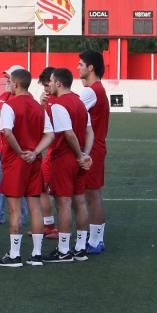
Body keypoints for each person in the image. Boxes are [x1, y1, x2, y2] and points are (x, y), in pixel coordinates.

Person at [0, 68, 55, 267]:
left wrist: (21, 151)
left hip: (16, 162)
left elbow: (8, 133)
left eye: (10, 81)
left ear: (16, 83)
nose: (8, 84)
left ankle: (14, 255)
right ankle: (36, 254)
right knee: (35, 207)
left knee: (14, 210)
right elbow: (50, 135)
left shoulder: (10, 106)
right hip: (33, 161)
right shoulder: (38, 106)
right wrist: (35, 152)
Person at [43, 67, 94, 264]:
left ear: (59, 83)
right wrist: (85, 155)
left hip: (64, 158)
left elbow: (68, 133)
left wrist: (79, 154)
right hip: (79, 159)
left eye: (51, 81)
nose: (49, 85)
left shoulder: (58, 105)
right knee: (79, 202)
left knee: (63, 203)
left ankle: (64, 249)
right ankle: (80, 248)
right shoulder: (80, 103)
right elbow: (90, 132)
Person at [0, 64, 28, 225]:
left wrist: (3, 117)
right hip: (2, 149)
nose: (6, 80)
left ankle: (22, 217)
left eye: (9, 77)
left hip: (17, 148)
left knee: (20, 185)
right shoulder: (3, 96)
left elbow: (15, 123)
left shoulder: (23, 99)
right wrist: (5, 118)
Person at [77, 50, 109, 255]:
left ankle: (96, 240)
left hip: (92, 149)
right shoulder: (97, 89)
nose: (78, 67)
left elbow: (72, 112)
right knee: (90, 194)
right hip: (95, 147)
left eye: (81, 64)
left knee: (91, 194)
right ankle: (94, 237)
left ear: (91, 67)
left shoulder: (91, 91)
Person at [36, 67, 60, 240]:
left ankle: (51, 227)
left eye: (47, 84)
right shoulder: (69, 99)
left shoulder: (54, 101)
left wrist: (42, 106)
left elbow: (43, 126)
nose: (45, 88)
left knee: (44, 189)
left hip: (55, 152)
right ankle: (50, 226)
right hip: (56, 151)